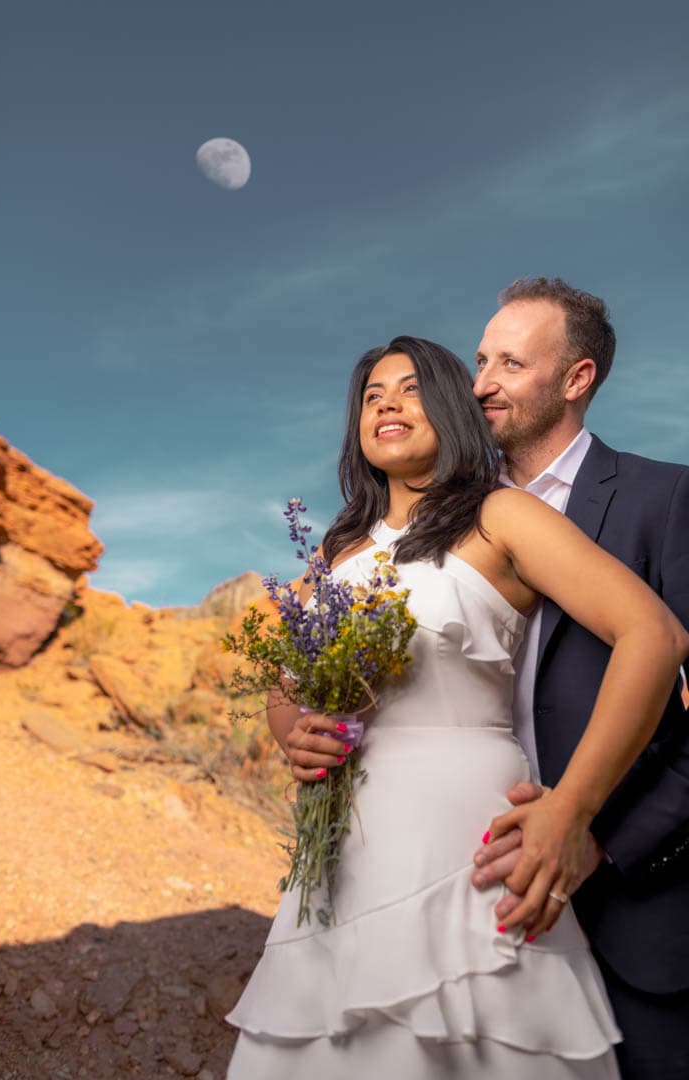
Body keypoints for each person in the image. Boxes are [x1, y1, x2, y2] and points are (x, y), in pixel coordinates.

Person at [226, 336, 687, 1079]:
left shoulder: (501, 515)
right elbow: (285, 682)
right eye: (372, 396)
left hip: (468, 835)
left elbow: (653, 634)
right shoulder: (338, 550)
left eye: (409, 389)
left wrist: (571, 809)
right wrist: (294, 734)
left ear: (450, 406)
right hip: (348, 845)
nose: (387, 405)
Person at [470, 277, 689, 1080]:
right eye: (480, 360)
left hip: (633, 913)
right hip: (472, 895)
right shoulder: (444, 520)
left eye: (511, 364)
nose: (482, 383)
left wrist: (598, 838)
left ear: (576, 379)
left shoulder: (665, 499)